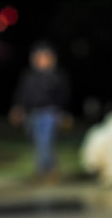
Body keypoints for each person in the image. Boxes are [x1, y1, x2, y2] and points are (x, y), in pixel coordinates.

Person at [9, 42, 71, 183]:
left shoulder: (57, 76)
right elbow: (22, 94)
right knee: (39, 142)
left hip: (50, 113)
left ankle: (43, 171)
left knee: (45, 141)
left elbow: (64, 96)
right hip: (33, 113)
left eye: (44, 57)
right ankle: (51, 168)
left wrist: (63, 114)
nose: (41, 60)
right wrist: (17, 108)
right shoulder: (29, 76)